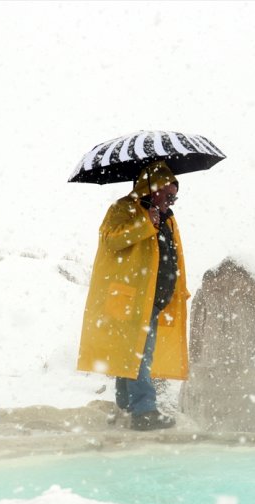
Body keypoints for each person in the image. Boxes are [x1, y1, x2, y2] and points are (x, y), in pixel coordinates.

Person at [77, 160, 190, 431]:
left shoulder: (168, 217)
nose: (172, 199)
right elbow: (110, 240)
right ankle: (144, 411)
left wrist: (178, 288)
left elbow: (173, 256)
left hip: (154, 298)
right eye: (168, 193)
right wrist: (144, 223)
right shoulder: (124, 208)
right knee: (139, 352)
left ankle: (126, 406)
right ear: (151, 188)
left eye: (175, 194)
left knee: (129, 352)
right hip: (130, 297)